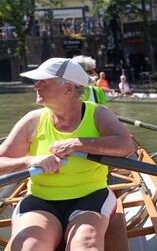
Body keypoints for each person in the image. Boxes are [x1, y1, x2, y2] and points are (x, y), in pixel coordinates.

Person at [0, 57, 136, 250]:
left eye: (43, 82)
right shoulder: (32, 120)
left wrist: (77, 144)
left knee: (86, 245)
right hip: (41, 199)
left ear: (69, 89)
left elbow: (125, 145)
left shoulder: (98, 113)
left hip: (90, 197)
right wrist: (31, 160)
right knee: (28, 246)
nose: (35, 86)